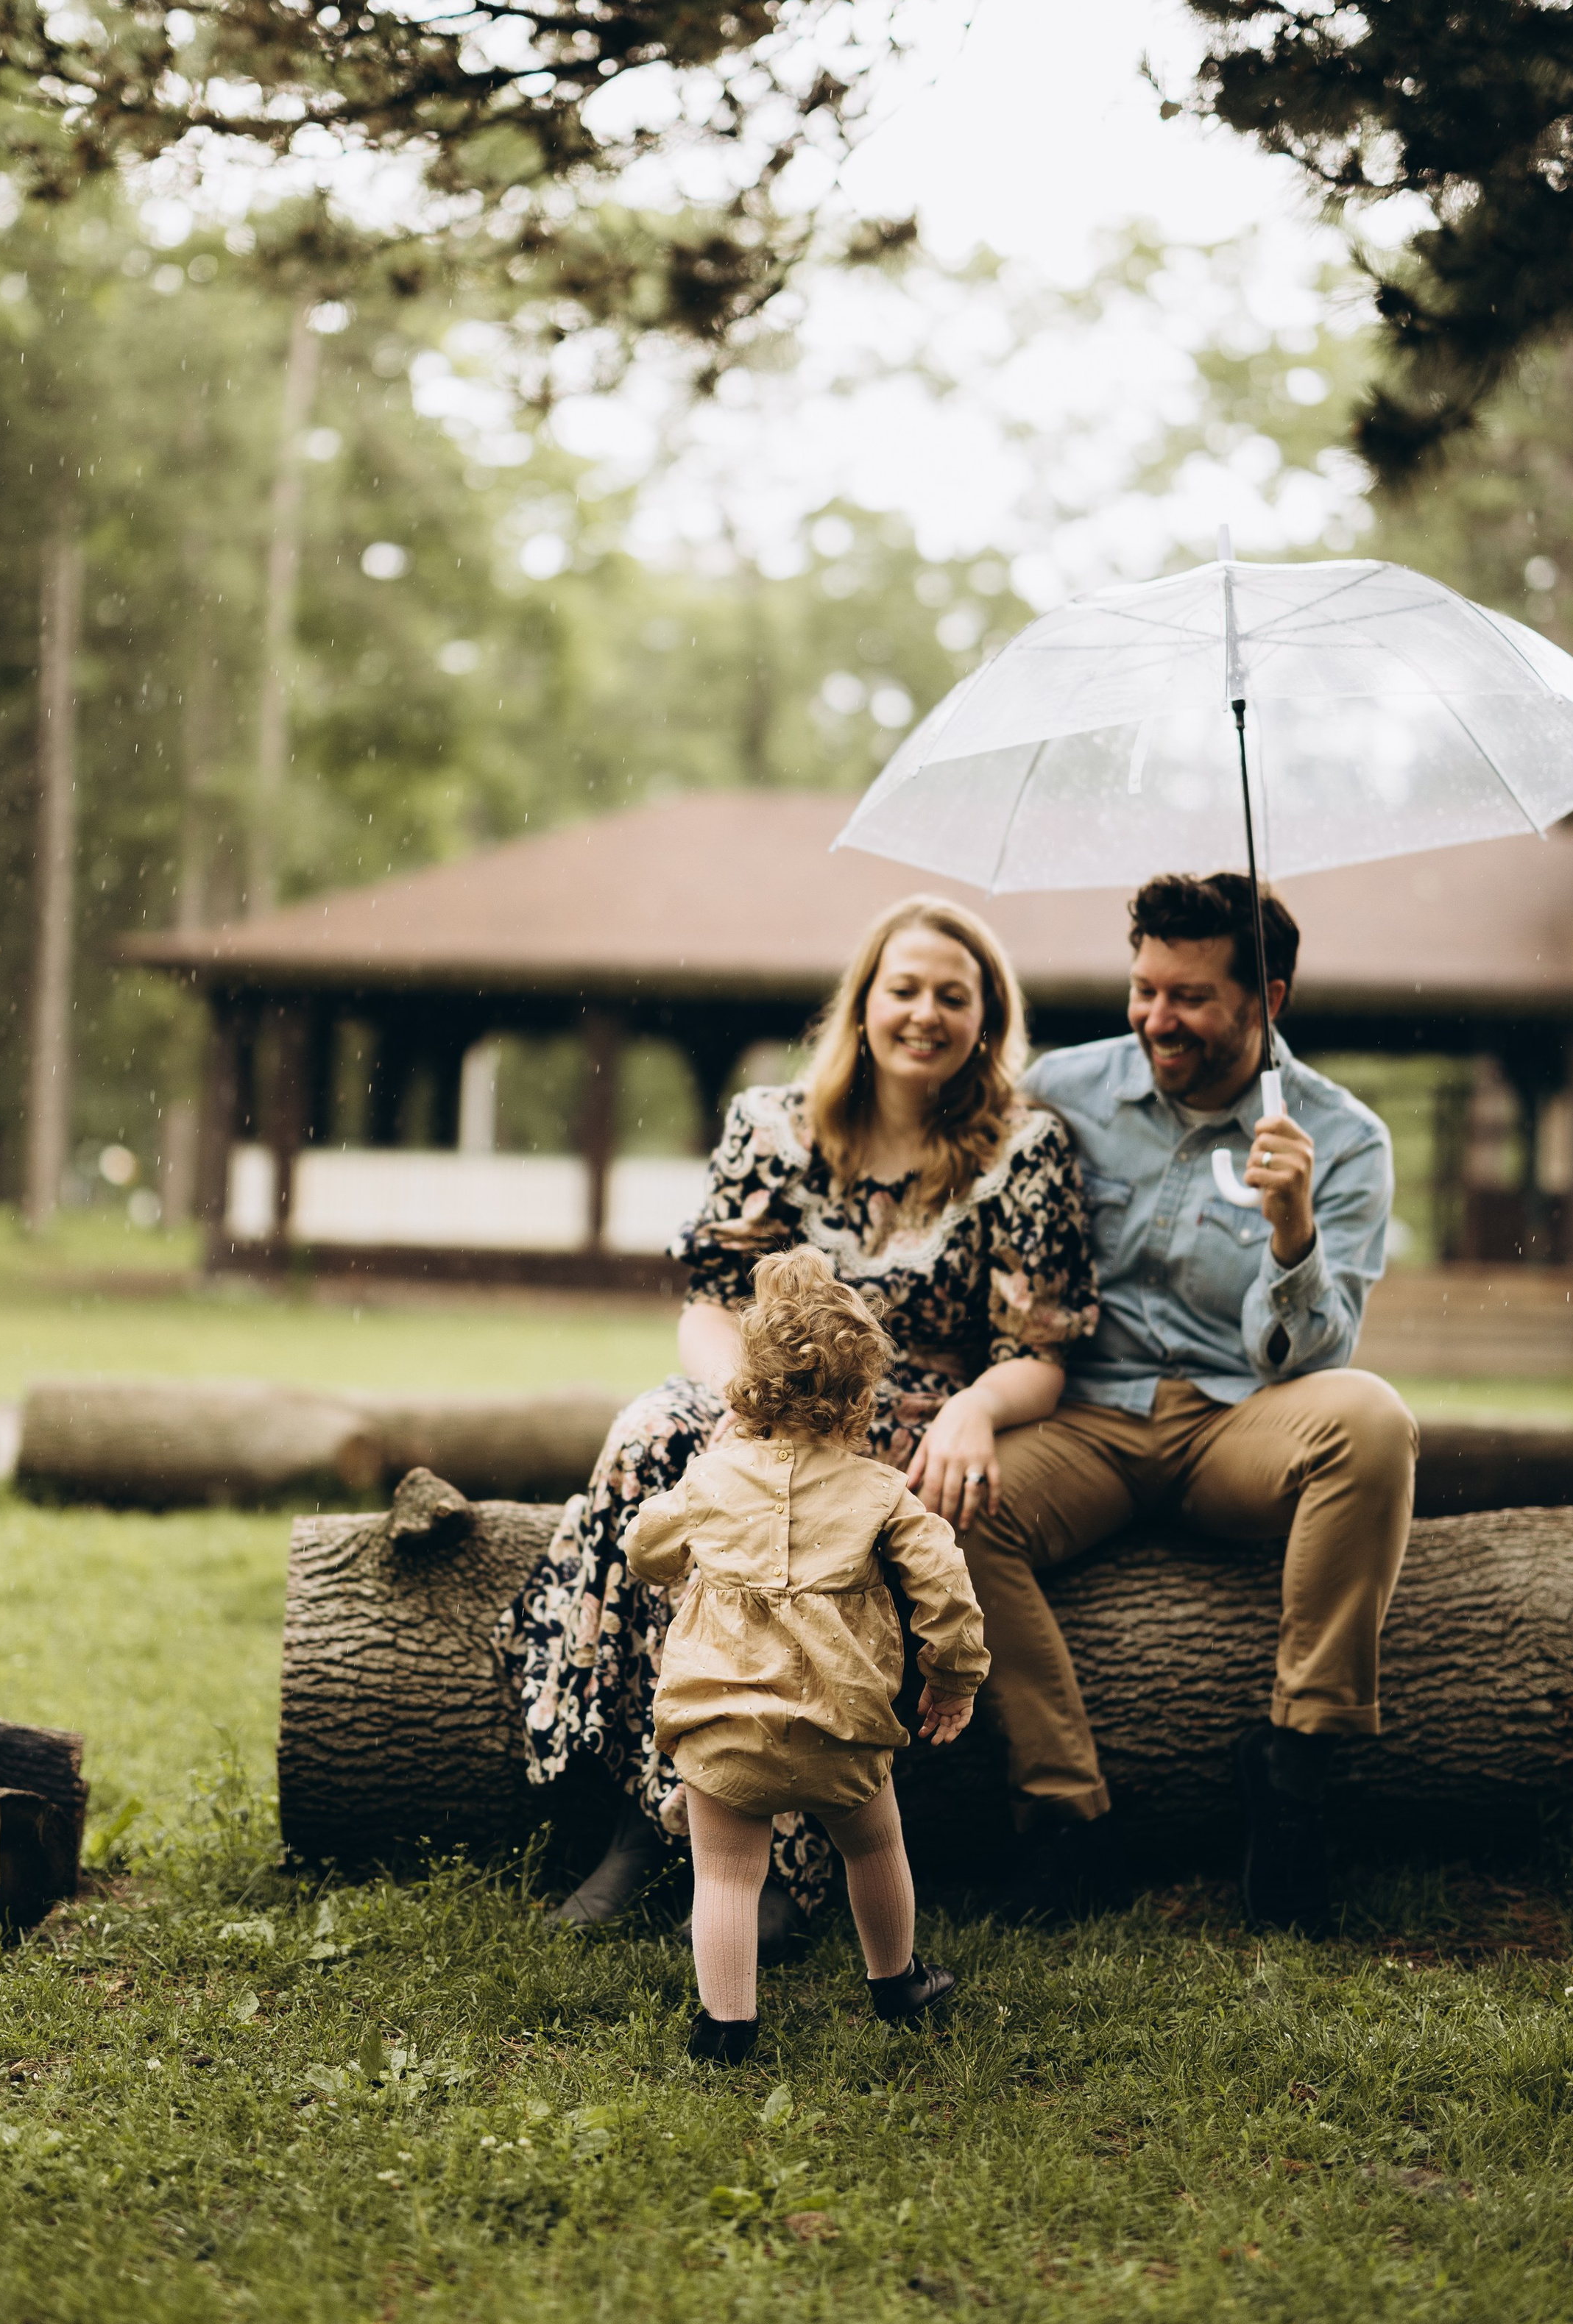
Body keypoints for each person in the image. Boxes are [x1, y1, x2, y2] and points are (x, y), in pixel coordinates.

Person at [494, 892, 1099, 1941]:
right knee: (654, 1439)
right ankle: (655, 1818)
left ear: (986, 1020)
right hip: (757, 1395)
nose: (925, 1013)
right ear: (861, 1005)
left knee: (832, 1524)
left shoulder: (1024, 1148)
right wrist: (742, 1407)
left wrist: (975, 1414)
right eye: (902, 989)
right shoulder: (770, 1124)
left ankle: (780, 1868)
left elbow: (1038, 1351)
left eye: (953, 997)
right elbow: (712, 1302)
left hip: (908, 1413)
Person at [963, 870, 1417, 1938]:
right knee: (952, 1505)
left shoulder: (1344, 1141)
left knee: (1373, 1417)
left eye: (1190, 997)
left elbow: (1314, 1354)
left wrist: (1293, 1229)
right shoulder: (1060, 1090)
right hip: (1082, 1418)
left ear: (1270, 999)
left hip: (1235, 1425)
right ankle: (1067, 1817)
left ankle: (1297, 1766)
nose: (1156, 1018)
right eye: (1143, 989)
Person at [624, 1246, 989, 2062]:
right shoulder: (881, 1491)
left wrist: (682, 1556)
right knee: (873, 1845)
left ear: (743, 1387)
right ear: (861, 1396)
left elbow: (645, 1546)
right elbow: (946, 1587)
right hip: (841, 1724)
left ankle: (726, 2026)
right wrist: (952, 1681)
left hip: (723, 1721)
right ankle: (895, 1981)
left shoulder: (713, 1479)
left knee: (723, 1875)